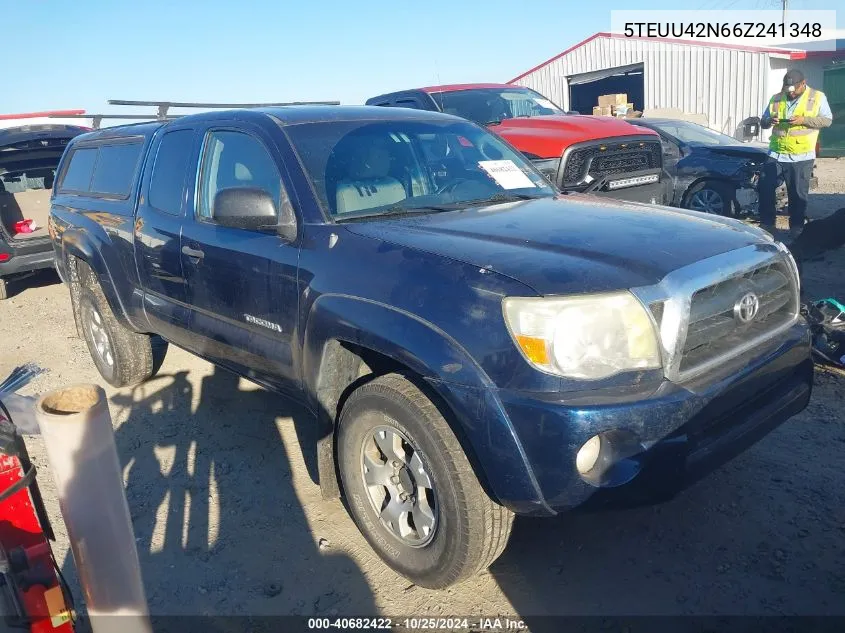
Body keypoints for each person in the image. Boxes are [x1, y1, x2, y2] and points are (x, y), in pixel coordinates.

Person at [759, 69, 833, 240]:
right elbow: (763, 121)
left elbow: (827, 120)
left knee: (797, 194)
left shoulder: (817, 97)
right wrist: (770, 121)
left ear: (803, 84)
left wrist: (804, 120)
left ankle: (797, 228)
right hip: (776, 153)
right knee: (765, 188)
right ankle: (767, 225)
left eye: (794, 89)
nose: (791, 93)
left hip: (801, 156)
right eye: (788, 89)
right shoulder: (777, 98)